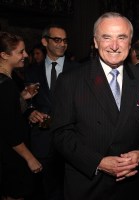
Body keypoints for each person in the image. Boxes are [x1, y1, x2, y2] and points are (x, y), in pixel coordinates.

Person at [52, 12, 139, 200]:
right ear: (96, 42)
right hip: (87, 185)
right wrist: (98, 162)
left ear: (130, 43)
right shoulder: (71, 80)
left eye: (121, 37)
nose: (114, 46)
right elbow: (61, 134)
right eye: (107, 37)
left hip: (131, 185)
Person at [24, 24, 79, 200]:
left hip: (72, 140)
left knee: (71, 191)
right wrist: (30, 112)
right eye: (57, 40)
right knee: (45, 191)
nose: (62, 44)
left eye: (65, 40)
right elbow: (28, 102)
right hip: (42, 140)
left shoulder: (78, 70)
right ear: (44, 41)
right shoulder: (32, 71)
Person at [0, 31, 42, 200]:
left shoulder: (10, 80)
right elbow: (10, 130)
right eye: (20, 52)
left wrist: (22, 99)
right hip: (11, 156)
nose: (26, 55)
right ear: (3, 55)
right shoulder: (5, 85)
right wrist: (30, 158)